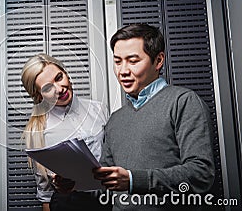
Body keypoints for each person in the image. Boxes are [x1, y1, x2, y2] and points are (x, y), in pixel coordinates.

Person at [93, 24, 215, 210]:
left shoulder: (183, 102)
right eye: (118, 61)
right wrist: (74, 186)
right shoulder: (115, 120)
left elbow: (201, 174)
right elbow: (105, 186)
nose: (123, 71)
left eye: (133, 61)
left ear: (158, 61)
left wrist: (134, 180)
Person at [21, 53, 110, 211]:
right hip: (69, 203)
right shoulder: (38, 132)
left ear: (66, 73)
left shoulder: (99, 109)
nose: (59, 89)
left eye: (59, 77)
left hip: (107, 199)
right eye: (48, 88)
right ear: (39, 96)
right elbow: (45, 195)